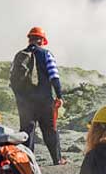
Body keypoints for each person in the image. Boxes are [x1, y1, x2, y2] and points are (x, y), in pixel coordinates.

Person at [9, 26, 66, 165]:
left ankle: (27, 162)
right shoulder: (46, 54)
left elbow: (12, 79)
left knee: (27, 131)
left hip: (25, 102)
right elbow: (54, 76)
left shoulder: (20, 55)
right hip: (44, 100)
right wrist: (59, 96)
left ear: (30, 39)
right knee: (50, 130)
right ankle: (57, 159)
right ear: (42, 40)